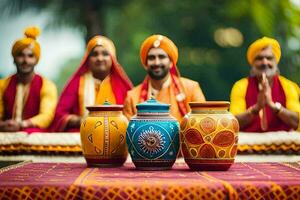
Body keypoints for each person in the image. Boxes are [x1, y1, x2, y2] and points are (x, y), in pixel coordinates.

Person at [51, 35, 133, 132]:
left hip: (116, 136)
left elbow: (131, 116)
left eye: (105, 54)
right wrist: (80, 121)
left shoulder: (121, 85)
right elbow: (59, 115)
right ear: (87, 59)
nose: (100, 58)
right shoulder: (77, 83)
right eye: (94, 54)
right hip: (82, 135)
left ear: (112, 59)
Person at [123, 34, 205, 122]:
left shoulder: (191, 89)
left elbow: (202, 124)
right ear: (145, 64)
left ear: (171, 63)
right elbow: (129, 133)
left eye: (161, 57)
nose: (157, 62)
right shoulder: (132, 97)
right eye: (151, 58)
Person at [230, 37, 300, 132]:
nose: (264, 62)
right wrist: (256, 108)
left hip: (283, 144)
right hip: (249, 144)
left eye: (269, 58)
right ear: (253, 63)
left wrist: (273, 106)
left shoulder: (288, 86)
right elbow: (233, 123)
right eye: (259, 58)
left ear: (275, 61)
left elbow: (296, 122)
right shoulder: (241, 86)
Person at [0, 26, 58, 133]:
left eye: (30, 56)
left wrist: (22, 124)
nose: (25, 60)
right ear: (13, 59)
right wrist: (3, 125)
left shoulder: (47, 85)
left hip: (35, 140)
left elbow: (46, 116)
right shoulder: (2, 85)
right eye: (20, 55)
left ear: (36, 60)